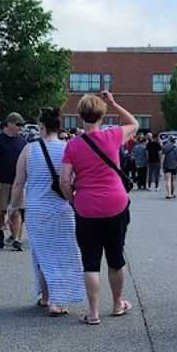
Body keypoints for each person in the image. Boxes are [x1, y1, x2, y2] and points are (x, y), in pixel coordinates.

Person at [59, 90, 138, 324]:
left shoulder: (72, 145)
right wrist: (114, 102)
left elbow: (64, 180)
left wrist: (72, 199)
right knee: (115, 257)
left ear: (80, 116)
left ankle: (93, 313)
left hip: (86, 208)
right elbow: (133, 123)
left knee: (90, 261)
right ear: (102, 116)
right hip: (115, 204)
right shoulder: (113, 136)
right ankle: (116, 304)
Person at [8, 108, 85, 315]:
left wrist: (13, 208)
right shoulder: (69, 148)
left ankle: (47, 296)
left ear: (41, 126)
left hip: (36, 209)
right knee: (63, 254)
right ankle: (58, 300)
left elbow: (18, 183)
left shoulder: (29, 149)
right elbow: (74, 179)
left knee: (41, 254)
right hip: (62, 208)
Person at [0, 113, 26, 249]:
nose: (20, 128)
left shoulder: (22, 141)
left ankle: (16, 239)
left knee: (16, 210)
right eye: (18, 125)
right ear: (9, 124)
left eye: (21, 125)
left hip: (18, 182)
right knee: (1, 210)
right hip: (2, 180)